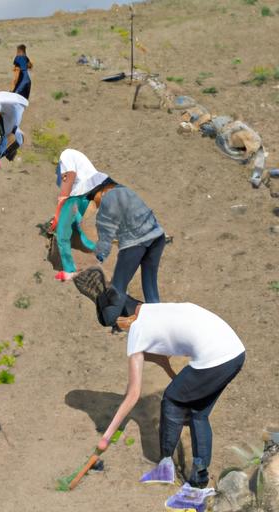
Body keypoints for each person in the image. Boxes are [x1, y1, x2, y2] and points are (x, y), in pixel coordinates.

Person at [75, 271, 246, 489]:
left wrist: (106, 437)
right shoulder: (152, 310)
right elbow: (161, 358)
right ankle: (199, 479)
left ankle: (166, 466)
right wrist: (176, 378)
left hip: (213, 358)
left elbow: (133, 394)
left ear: (123, 319)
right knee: (198, 413)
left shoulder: (137, 329)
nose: (119, 331)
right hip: (234, 351)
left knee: (172, 401)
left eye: (116, 327)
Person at [93, 180, 165, 303]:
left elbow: (105, 234)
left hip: (135, 244)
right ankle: (157, 317)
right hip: (157, 237)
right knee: (151, 286)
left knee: (117, 290)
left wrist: (98, 257)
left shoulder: (107, 198)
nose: (95, 203)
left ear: (101, 191)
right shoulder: (126, 190)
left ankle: (116, 320)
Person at [49, 149, 114, 281]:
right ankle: (98, 251)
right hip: (97, 191)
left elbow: (68, 183)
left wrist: (57, 218)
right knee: (78, 223)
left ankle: (69, 270)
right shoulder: (78, 160)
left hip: (84, 194)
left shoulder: (65, 157)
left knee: (62, 234)